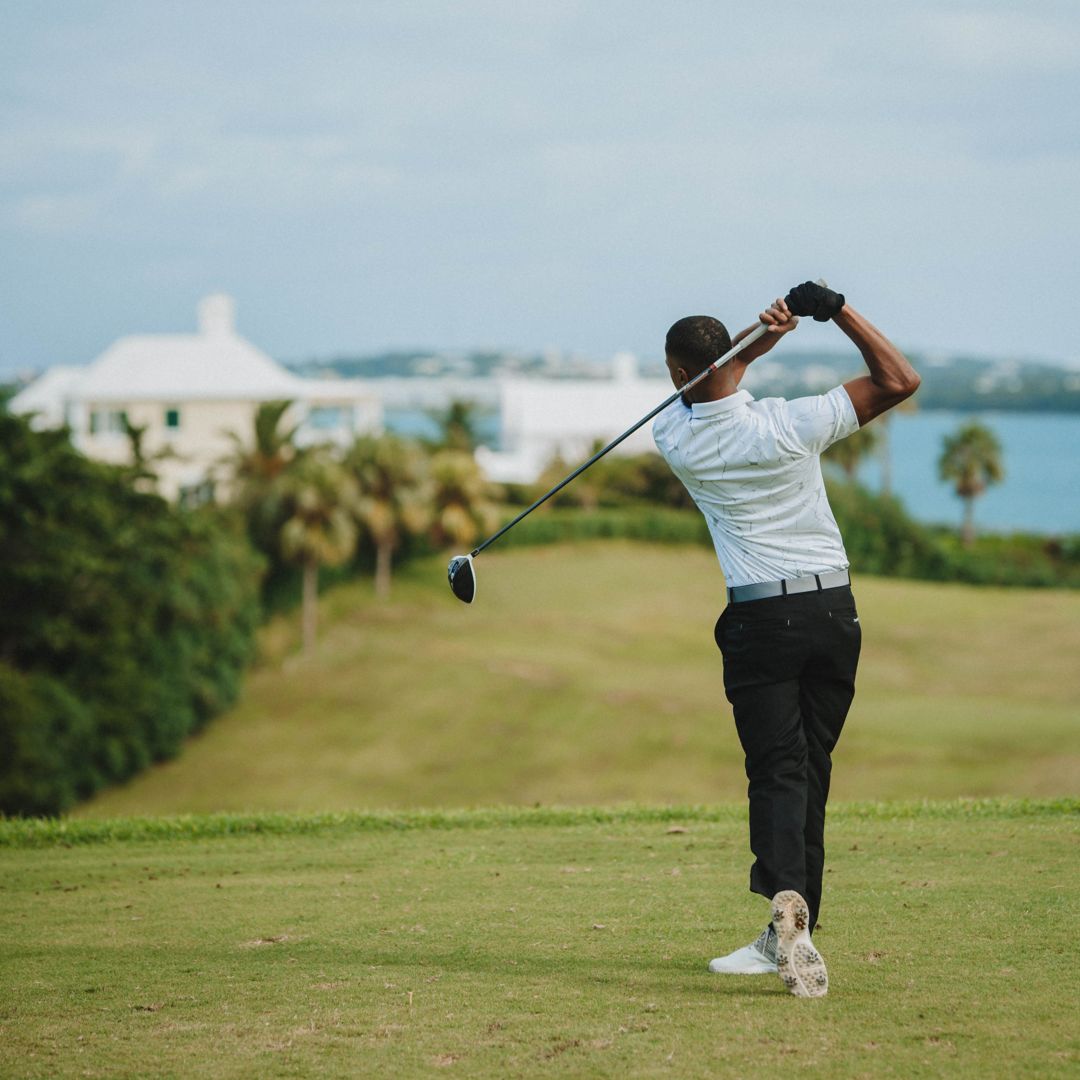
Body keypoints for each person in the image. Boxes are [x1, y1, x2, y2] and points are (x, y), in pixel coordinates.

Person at [652, 281, 920, 998]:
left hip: (761, 621)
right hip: (835, 611)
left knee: (778, 768)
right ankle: (793, 929)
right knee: (813, 770)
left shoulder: (672, 434)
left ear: (677, 372)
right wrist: (837, 313)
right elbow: (900, 379)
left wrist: (758, 339)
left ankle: (786, 919)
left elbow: (711, 380)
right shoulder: (791, 423)